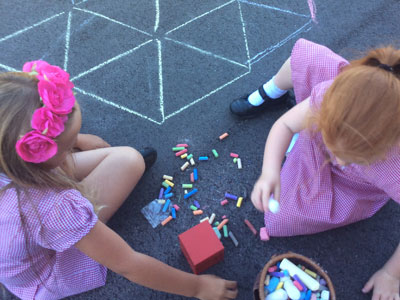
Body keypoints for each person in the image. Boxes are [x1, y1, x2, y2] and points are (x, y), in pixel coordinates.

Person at [0, 61, 238, 300]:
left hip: (19, 212)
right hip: (46, 271)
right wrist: (197, 288)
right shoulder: (54, 208)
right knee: (129, 161)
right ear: (40, 151)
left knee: (129, 159)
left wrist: (75, 140)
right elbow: (128, 264)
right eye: (66, 148)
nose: (72, 149)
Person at [231, 39, 400, 299]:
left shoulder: (395, 168)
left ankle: (307, 141)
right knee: (307, 60)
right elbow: (285, 126)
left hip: (352, 186)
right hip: (325, 132)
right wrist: (269, 171)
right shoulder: (332, 95)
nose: (340, 160)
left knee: (280, 218)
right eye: (333, 139)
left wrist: (391, 274)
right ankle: (272, 92)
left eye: (353, 156)